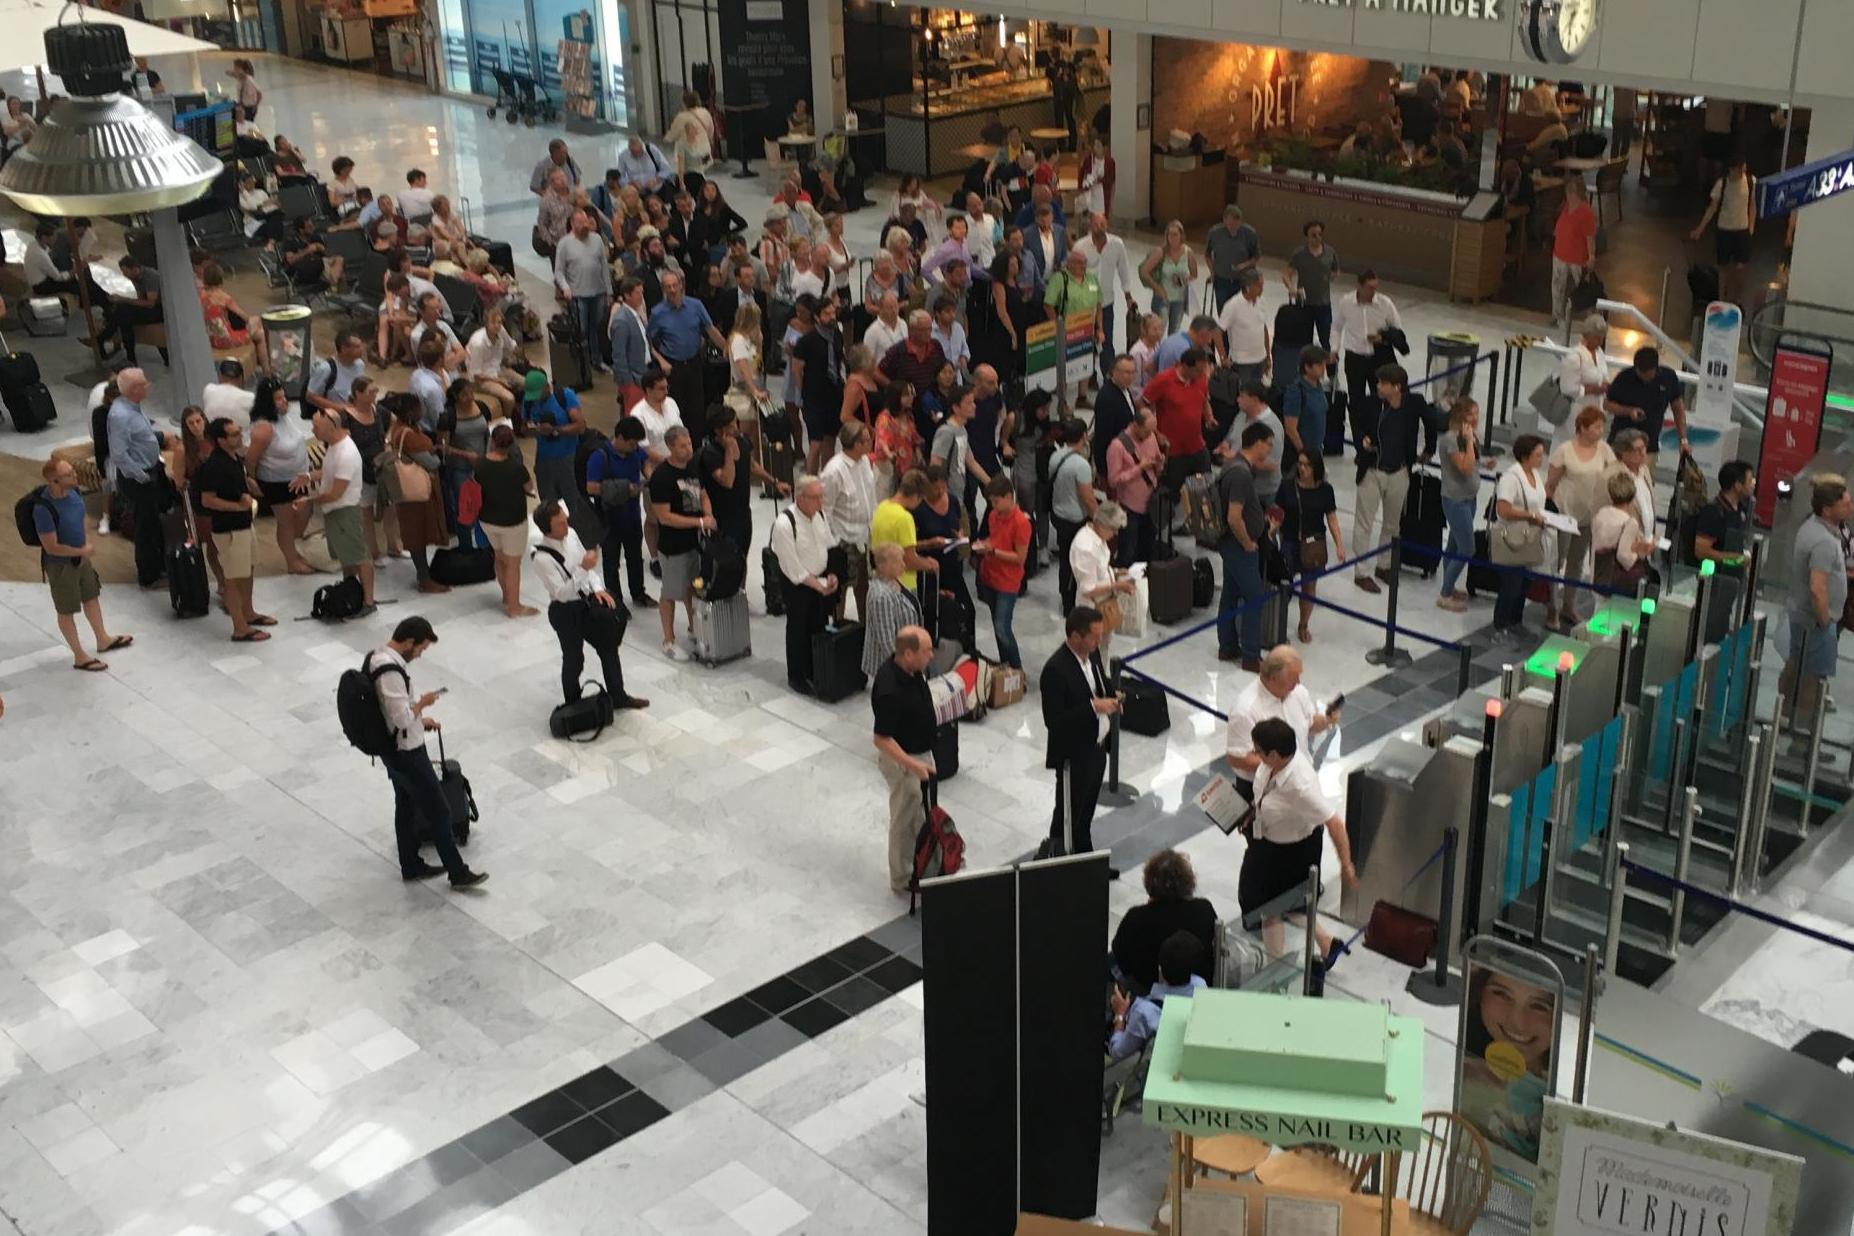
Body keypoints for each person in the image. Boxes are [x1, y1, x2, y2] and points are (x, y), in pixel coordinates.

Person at [366, 617, 487, 888]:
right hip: (407, 753)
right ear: (409, 642)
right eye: (420, 649)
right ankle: (458, 873)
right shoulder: (390, 673)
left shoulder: (376, 657)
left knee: (406, 805)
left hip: (394, 749)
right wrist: (422, 703)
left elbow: (393, 713)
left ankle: (410, 865)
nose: (419, 655)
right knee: (439, 811)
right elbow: (400, 718)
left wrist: (421, 719)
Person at [1240, 717, 1356, 960]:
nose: (1254, 753)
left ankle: (1276, 965)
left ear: (1274, 754)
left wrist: (1346, 866)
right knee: (1288, 904)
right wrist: (1252, 813)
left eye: (1258, 750)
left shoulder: (1300, 786)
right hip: (1268, 844)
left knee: (1270, 910)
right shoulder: (1273, 765)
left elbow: (1334, 822)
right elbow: (1265, 795)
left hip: (1293, 851)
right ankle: (1326, 943)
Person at [529, 499, 648, 713]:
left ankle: (618, 696)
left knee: (608, 647)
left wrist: (598, 588)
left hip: (587, 602)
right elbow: (561, 593)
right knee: (574, 658)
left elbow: (589, 569)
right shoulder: (542, 558)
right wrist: (583, 569)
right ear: (546, 529)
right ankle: (573, 705)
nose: (566, 526)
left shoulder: (572, 535)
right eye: (560, 524)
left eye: (565, 521)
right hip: (565, 611)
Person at [1039, 606, 1121, 876]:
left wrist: (1114, 697)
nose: (1099, 642)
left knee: (1085, 811)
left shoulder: (1092, 655)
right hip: (1074, 754)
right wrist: (1093, 707)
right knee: (1067, 812)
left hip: (1096, 748)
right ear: (1075, 636)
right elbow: (1054, 720)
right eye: (1094, 637)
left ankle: (1086, 862)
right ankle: (1054, 864)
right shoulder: (1055, 669)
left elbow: (1099, 682)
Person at [29, 458, 131, 672]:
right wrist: (80, 551)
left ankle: (102, 638)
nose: (75, 475)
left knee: (91, 597)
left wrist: (85, 542)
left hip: (82, 560)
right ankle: (79, 655)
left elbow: (80, 518)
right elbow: (51, 547)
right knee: (66, 609)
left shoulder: (74, 494)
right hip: (61, 567)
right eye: (69, 474)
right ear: (55, 481)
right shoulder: (43, 510)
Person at [1352, 364, 1437, 595]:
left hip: (1399, 471)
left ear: (1397, 387)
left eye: (1382, 383)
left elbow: (1432, 420)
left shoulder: (1414, 403)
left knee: (1392, 523)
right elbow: (1357, 424)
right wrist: (1362, 441)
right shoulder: (1370, 404)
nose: (1377, 386)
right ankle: (1361, 572)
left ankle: (1384, 565)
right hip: (1372, 471)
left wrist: (1430, 448)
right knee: (1364, 523)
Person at [1781, 474, 1852, 737]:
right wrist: (1825, 621)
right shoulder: (1823, 541)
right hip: (1815, 621)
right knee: (1813, 679)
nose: (1850, 507)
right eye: (1845, 504)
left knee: (1795, 665)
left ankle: (1785, 715)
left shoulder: (1814, 526)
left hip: (1804, 617)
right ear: (1827, 509)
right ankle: (1802, 736)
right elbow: (1817, 587)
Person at [871, 625, 938, 895]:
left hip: (920, 753)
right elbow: (881, 739)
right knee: (904, 816)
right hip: (903, 760)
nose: (932, 656)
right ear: (908, 654)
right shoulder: (889, 688)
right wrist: (913, 765)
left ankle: (924, 863)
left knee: (921, 816)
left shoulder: (912, 671)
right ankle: (902, 877)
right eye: (926, 651)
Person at [1225, 646, 1338, 801]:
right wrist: (1284, 767)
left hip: (1303, 782)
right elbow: (1237, 758)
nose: (1298, 682)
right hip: (1264, 790)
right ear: (1273, 678)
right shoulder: (1245, 710)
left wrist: (1326, 720)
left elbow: (1309, 723)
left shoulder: (1298, 692)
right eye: (1294, 677)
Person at [292, 406, 373, 617]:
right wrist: (310, 477)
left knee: (359, 555)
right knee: (347, 556)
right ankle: (351, 589)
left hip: (344, 511)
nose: (312, 431)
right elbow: (329, 472)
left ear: (332, 425)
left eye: (316, 426)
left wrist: (309, 501)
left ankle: (369, 601)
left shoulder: (346, 452)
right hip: (335, 512)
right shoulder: (334, 446)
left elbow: (336, 493)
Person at [1545, 407, 1618, 628]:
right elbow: (1550, 484)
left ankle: (1569, 605)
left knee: (1576, 562)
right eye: (1596, 426)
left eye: (1601, 426)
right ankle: (1552, 607)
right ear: (1583, 428)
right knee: (1557, 561)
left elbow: (1613, 476)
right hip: (1565, 513)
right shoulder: (1565, 451)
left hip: (1588, 515)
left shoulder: (1604, 450)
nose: (1601, 430)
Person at [647, 425, 714, 662]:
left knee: (692, 587)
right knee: (671, 592)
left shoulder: (693, 467)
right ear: (671, 447)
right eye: (683, 446)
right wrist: (699, 521)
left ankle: (694, 628)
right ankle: (668, 639)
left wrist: (707, 516)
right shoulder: (662, 477)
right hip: (673, 545)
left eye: (690, 444)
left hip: (695, 542)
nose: (689, 449)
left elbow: (702, 493)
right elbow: (664, 517)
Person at [104, 369, 174, 589]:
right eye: (144, 384)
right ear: (134, 389)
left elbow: (140, 437)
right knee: (146, 525)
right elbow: (119, 454)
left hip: (150, 469)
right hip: (139, 478)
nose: (148, 386)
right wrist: (141, 475)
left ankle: (161, 565)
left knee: (154, 521)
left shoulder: (132, 409)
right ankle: (149, 574)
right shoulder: (120, 416)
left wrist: (158, 439)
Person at [770, 476, 839, 694]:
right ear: (800, 498)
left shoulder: (819, 515)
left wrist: (832, 575)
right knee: (799, 629)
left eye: (821, 496)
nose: (820, 502)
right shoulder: (784, 524)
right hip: (798, 585)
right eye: (815, 497)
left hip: (820, 580)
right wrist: (818, 585)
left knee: (818, 625)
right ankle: (798, 676)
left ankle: (816, 668)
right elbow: (793, 569)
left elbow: (828, 544)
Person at [1110, 852, 1217, 989]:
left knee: (1109, 961)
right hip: (1198, 987)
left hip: (1147, 989)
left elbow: (1122, 958)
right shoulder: (1203, 909)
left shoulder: (1136, 918)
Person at [1216, 421, 1275, 670]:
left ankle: (1227, 645)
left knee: (1230, 593)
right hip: (1239, 546)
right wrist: (1248, 543)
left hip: (1230, 544)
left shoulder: (1234, 466)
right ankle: (1251, 656)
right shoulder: (1240, 474)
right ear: (1258, 442)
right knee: (1254, 597)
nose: (1269, 450)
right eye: (1269, 444)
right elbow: (1234, 516)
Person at [647, 272, 728, 450]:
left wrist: (728, 349)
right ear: (663, 289)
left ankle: (696, 448)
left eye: (675, 285)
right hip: (672, 366)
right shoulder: (658, 312)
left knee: (697, 408)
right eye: (668, 287)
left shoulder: (696, 305)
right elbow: (648, 342)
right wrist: (661, 360)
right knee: (676, 408)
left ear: (681, 285)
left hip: (693, 363)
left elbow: (710, 329)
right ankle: (677, 447)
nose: (672, 290)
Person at [384, 396, 451, 594]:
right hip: (416, 492)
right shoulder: (410, 436)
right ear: (411, 412)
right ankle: (424, 578)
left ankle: (424, 574)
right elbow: (432, 463)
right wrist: (438, 454)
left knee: (414, 531)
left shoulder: (398, 427)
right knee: (417, 532)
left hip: (407, 490)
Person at [1108, 932, 1206, 1061]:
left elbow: (1117, 1052)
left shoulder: (1143, 1012)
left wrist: (1119, 1014)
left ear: (1160, 968)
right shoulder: (1200, 986)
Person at [476, 422, 539, 618]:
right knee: (513, 564)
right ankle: (514, 607)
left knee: (499, 557)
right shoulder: (516, 467)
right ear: (512, 444)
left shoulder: (480, 463)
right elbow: (529, 488)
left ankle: (506, 596)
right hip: (512, 522)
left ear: (492, 442)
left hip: (487, 519)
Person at [1281, 451, 1345, 643]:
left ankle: (1303, 624)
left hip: (1314, 544)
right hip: (1290, 543)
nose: (1302, 468)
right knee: (1284, 586)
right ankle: (1278, 624)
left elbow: (1331, 518)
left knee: (1309, 587)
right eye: (1299, 463)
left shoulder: (1325, 490)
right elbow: (1277, 514)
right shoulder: (1287, 487)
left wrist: (1339, 544)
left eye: (1306, 464)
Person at [1491, 435, 1550, 640]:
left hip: (1529, 538)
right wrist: (1530, 515)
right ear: (1525, 457)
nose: (1542, 458)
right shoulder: (1511, 478)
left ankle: (1515, 621)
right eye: (1538, 455)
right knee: (1511, 585)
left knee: (1524, 583)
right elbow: (1503, 509)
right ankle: (1500, 626)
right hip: (1512, 539)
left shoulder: (1534, 474)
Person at [1141, 346, 1215, 509]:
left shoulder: (1201, 377)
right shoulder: (1163, 380)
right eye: (1198, 370)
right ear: (1185, 366)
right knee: (1171, 492)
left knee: (1204, 487)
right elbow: (1142, 404)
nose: (1202, 374)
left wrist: (1208, 416)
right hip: (1172, 450)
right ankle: (1168, 524)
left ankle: (1201, 521)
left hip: (1197, 445)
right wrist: (1155, 432)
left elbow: (1204, 399)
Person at [822, 422, 878, 622]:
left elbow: (870, 495)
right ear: (855, 444)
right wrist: (833, 543)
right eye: (866, 440)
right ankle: (839, 629)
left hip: (864, 535)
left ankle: (864, 628)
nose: (871, 442)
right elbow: (825, 510)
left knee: (864, 586)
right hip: (843, 539)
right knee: (841, 590)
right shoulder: (833, 471)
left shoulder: (864, 461)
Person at [1071, 501, 1134, 660]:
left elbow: (1099, 569)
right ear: (1101, 524)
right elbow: (1088, 589)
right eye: (1113, 529)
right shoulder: (1086, 547)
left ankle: (1100, 681)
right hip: (1091, 607)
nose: (1115, 534)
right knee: (1091, 651)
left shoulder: (1099, 539)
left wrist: (1115, 572)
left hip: (1104, 603)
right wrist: (1117, 585)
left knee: (1103, 648)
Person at [1436, 398, 1482, 613]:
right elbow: (1464, 466)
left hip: (1469, 497)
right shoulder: (1450, 439)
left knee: (1454, 545)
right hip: (1455, 500)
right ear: (1460, 416)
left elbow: (1474, 463)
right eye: (1471, 414)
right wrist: (1471, 442)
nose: (1476, 418)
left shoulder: (1468, 437)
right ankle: (1444, 594)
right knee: (1467, 548)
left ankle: (1449, 585)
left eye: (1477, 413)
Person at [1047, 419, 1098, 612]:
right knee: (1077, 561)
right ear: (1084, 436)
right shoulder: (1081, 465)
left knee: (1065, 560)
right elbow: (1088, 498)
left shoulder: (1056, 456)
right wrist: (1098, 517)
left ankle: (1065, 597)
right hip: (1076, 518)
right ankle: (1072, 601)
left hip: (1058, 514)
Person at [523, 367, 586, 522]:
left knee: (572, 497)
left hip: (566, 456)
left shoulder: (565, 396)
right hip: (543, 458)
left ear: (547, 387)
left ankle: (580, 532)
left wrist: (555, 430)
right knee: (547, 500)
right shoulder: (529, 402)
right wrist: (534, 430)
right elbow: (524, 428)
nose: (536, 399)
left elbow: (580, 426)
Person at [1691, 156, 1756, 308]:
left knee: (1740, 268)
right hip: (1724, 229)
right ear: (1730, 170)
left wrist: (1751, 225)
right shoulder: (1723, 184)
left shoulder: (1751, 182)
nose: (1739, 173)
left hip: (1742, 230)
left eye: (1741, 169)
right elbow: (1712, 208)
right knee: (1723, 268)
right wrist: (1700, 229)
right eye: (1736, 170)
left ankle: (1736, 299)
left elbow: (1753, 205)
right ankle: (1721, 300)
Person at [793, 294, 846, 477]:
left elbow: (841, 362)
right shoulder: (807, 340)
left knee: (830, 440)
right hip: (814, 397)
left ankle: (827, 480)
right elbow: (797, 369)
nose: (831, 317)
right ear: (817, 316)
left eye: (833, 313)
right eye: (827, 314)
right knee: (815, 443)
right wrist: (804, 392)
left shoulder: (837, 335)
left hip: (834, 395)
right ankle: (810, 480)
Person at [1331, 270, 1400, 410]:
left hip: (1379, 358)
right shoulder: (1346, 302)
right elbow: (1336, 327)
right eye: (1370, 288)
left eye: (1375, 287)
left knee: (1383, 398)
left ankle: (1382, 428)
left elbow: (1397, 329)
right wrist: (1334, 348)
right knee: (1356, 399)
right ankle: (1359, 430)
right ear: (1359, 286)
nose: (1373, 291)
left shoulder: (1385, 303)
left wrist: (1383, 338)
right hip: (1355, 358)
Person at [1603, 346, 1689, 455]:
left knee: (1645, 471)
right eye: (1640, 373)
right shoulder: (1624, 378)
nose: (1644, 378)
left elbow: (1678, 410)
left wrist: (1683, 440)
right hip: (1621, 444)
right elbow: (1607, 404)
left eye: (1648, 375)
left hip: (1649, 446)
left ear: (1656, 368)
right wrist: (1628, 411)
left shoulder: (1668, 378)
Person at [871, 468, 939, 594]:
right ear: (916, 496)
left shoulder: (881, 507)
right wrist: (928, 564)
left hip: (881, 580)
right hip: (903, 584)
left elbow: (895, 544)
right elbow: (908, 561)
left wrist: (927, 543)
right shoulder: (904, 518)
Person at [1219, 379, 1284, 507]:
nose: (1237, 400)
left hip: (1260, 491)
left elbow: (1271, 465)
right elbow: (1231, 436)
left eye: (1242, 397)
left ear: (1254, 400)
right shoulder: (1242, 415)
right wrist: (1225, 444)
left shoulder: (1272, 427)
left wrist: (1236, 458)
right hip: (1238, 483)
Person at [1591, 471, 1657, 592]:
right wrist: (1640, 553)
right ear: (1632, 497)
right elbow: (1624, 557)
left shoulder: (1600, 515)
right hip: (1615, 580)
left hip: (1598, 574)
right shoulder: (1629, 523)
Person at [1282, 219, 1339, 351]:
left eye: (1320, 234)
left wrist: (1330, 278)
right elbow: (1286, 274)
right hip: (1304, 304)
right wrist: (1291, 287)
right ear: (1307, 236)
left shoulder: (1330, 252)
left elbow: (1335, 270)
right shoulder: (1299, 253)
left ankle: (1331, 370)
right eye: (1313, 235)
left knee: (1326, 340)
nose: (1317, 238)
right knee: (1303, 340)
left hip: (1323, 304)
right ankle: (1305, 369)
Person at [1556, 314, 1612, 449]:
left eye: (1601, 338)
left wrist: (1606, 385)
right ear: (1587, 335)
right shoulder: (1575, 356)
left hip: (1596, 410)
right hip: (1576, 411)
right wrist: (1593, 389)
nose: (1599, 341)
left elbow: (1603, 375)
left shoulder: (1599, 354)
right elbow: (1567, 388)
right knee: (1574, 447)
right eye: (1596, 337)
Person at [1690, 459, 1755, 573]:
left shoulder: (1742, 510)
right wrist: (1731, 558)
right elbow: (1700, 550)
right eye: (1750, 480)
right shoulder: (1713, 512)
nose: (1753, 484)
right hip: (1715, 578)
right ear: (1737, 485)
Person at [1551, 177, 1599, 327]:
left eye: (1572, 191)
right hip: (1560, 254)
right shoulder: (1566, 206)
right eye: (1568, 190)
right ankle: (1557, 315)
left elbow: (1590, 237)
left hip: (1577, 258)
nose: (1569, 194)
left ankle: (1591, 320)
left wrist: (1591, 257)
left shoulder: (1586, 212)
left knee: (1583, 290)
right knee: (1558, 287)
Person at [1140, 220, 1199, 332]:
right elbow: (1144, 271)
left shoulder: (1188, 252)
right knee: (1158, 331)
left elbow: (1194, 274)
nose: (1172, 238)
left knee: (1175, 330)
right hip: (1162, 298)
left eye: (1175, 234)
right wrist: (1157, 288)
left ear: (1181, 235)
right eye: (1169, 234)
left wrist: (1184, 279)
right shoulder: (1160, 252)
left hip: (1179, 299)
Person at [1280, 345, 1330, 473]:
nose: (1324, 369)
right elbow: (1291, 429)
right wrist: (1305, 454)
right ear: (1307, 367)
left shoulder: (1318, 386)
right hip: (1300, 457)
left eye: (1324, 365)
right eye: (1320, 365)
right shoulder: (1296, 391)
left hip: (1317, 451)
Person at [1218, 268, 1272, 387]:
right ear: (1248, 286)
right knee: (1243, 395)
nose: (1262, 289)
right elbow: (1217, 332)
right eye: (1259, 286)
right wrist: (1223, 357)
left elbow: (1264, 329)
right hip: (1241, 362)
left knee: (1258, 394)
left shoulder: (1262, 301)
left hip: (1260, 358)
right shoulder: (1233, 305)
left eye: (1262, 285)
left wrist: (1268, 356)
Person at [1205, 205, 1261, 312]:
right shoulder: (1215, 233)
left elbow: (1256, 256)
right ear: (1224, 220)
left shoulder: (1250, 234)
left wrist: (1243, 265)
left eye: (1236, 224)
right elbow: (1207, 255)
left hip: (1242, 281)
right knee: (1223, 311)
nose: (1233, 227)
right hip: (1221, 280)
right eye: (1230, 224)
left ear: (1240, 221)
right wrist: (1212, 272)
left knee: (1240, 312)